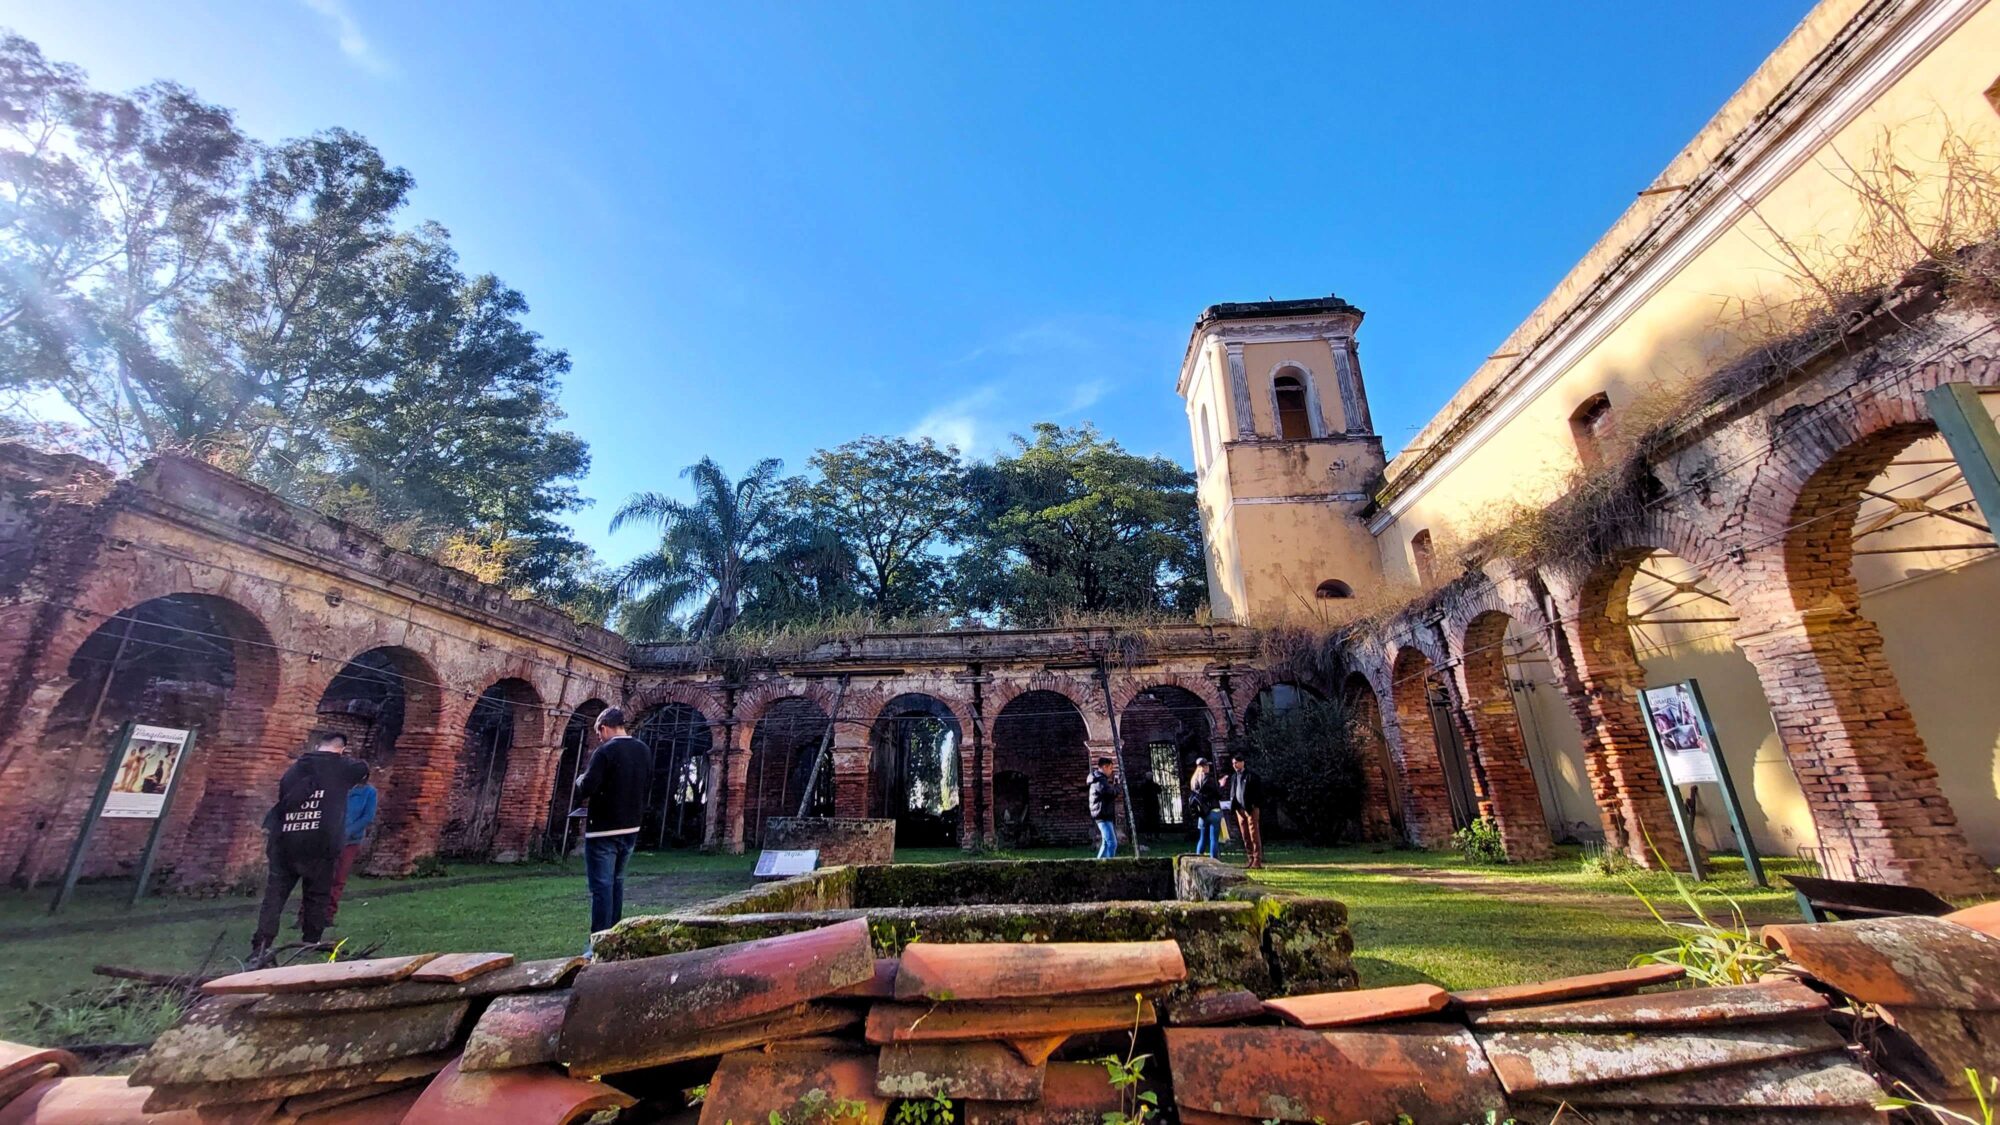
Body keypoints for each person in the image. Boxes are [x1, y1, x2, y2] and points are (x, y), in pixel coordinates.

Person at [251, 733, 369, 962]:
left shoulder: (295, 769)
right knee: (317, 895)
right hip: (320, 843)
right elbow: (362, 768)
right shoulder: (342, 768)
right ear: (341, 750)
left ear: (317, 746)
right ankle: (311, 941)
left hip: (285, 842)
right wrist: (341, 757)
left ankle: (261, 943)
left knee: (274, 896)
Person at [573, 707, 651, 941]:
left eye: (599, 733)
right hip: (631, 828)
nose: (599, 738)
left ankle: (598, 942)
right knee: (616, 883)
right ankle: (616, 938)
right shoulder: (643, 749)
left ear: (604, 728)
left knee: (601, 888)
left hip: (604, 830)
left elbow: (587, 787)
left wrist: (579, 780)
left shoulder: (605, 752)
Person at [305, 773, 376, 931]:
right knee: (315, 876)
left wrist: (346, 832)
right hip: (327, 838)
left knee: (338, 878)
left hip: (349, 841)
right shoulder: (337, 788)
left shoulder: (368, 792)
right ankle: (305, 915)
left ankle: (327, 915)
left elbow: (367, 817)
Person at [1229, 750, 1266, 869]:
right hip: (1239, 810)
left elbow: (1259, 793)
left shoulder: (1251, 776)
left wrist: (1254, 805)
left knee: (1254, 834)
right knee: (1245, 835)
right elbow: (1233, 792)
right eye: (1233, 763)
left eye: (1237, 763)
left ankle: (1257, 859)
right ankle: (1249, 857)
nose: (1235, 765)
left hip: (1251, 809)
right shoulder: (1234, 777)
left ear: (1242, 763)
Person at [1188, 758, 1222, 858]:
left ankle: (1198, 859)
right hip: (1213, 811)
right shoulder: (1209, 779)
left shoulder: (1194, 780)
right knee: (1213, 839)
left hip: (1202, 813)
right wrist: (1221, 785)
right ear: (1205, 767)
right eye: (1207, 766)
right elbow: (1218, 794)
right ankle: (1214, 860)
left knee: (1202, 838)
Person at [1087, 756, 1120, 859]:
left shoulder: (1099, 779)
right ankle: (1109, 867)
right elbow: (1110, 794)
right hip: (1102, 815)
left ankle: (1099, 865)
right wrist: (1117, 786)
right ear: (1105, 767)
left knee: (1106, 843)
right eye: (1110, 768)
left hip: (1103, 814)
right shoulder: (1099, 780)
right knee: (1112, 843)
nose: (1111, 771)